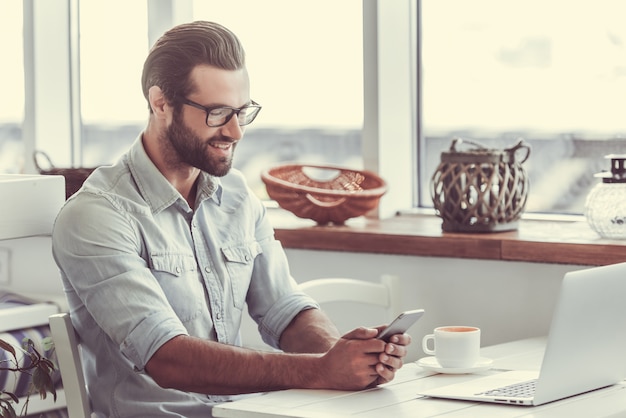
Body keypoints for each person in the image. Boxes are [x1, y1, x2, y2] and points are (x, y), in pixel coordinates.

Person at [51, 20, 411, 417]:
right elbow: (166, 357)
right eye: (218, 112)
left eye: (242, 111)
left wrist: (347, 355)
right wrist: (320, 371)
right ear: (160, 104)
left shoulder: (237, 196)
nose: (236, 131)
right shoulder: (96, 215)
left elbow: (285, 309)